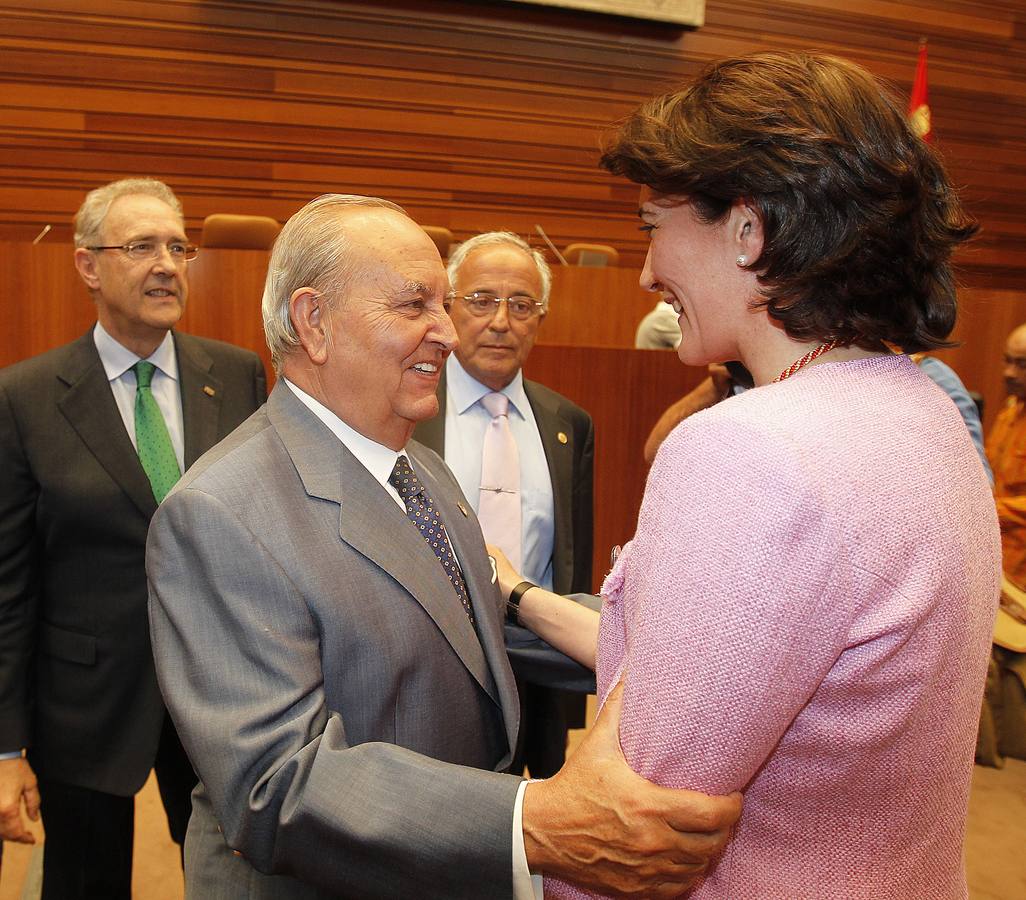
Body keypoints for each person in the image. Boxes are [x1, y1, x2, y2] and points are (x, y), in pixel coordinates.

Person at [494, 52, 1000, 898]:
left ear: (747, 229)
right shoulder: (927, 416)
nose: (649, 272)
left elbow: (629, 836)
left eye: (654, 225)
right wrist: (526, 597)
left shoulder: (749, 451)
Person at [145, 193, 741, 899]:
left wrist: (680, 648)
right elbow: (276, 784)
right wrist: (532, 821)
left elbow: (468, 625)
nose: (448, 334)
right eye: (413, 306)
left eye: (442, 304)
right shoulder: (220, 513)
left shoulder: (418, 465)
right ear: (314, 323)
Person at [0, 177, 266, 898]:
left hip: (219, 701)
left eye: (178, 247)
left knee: (233, 881)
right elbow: (10, 588)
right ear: (89, 265)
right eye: (142, 246)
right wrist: (4, 748)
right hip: (82, 707)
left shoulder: (237, 377)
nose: (168, 265)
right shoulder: (25, 398)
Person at [412, 230, 594, 777]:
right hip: (431, 674)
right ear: (447, 308)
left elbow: (571, 559)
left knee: (528, 839)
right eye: (481, 300)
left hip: (536, 675)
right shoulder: (409, 412)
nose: (500, 321)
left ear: (540, 318)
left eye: (521, 305)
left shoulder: (568, 424)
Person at [643, 354, 993, 480]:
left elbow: (976, 484)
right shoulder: (755, 374)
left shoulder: (928, 375)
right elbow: (656, 454)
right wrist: (715, 385)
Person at [987, 322, 1026, 590]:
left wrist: (988, 511)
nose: (1009, 372)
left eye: (1022, 364)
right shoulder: (1010, 411)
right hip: (998, 564)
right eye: (1008, 361)